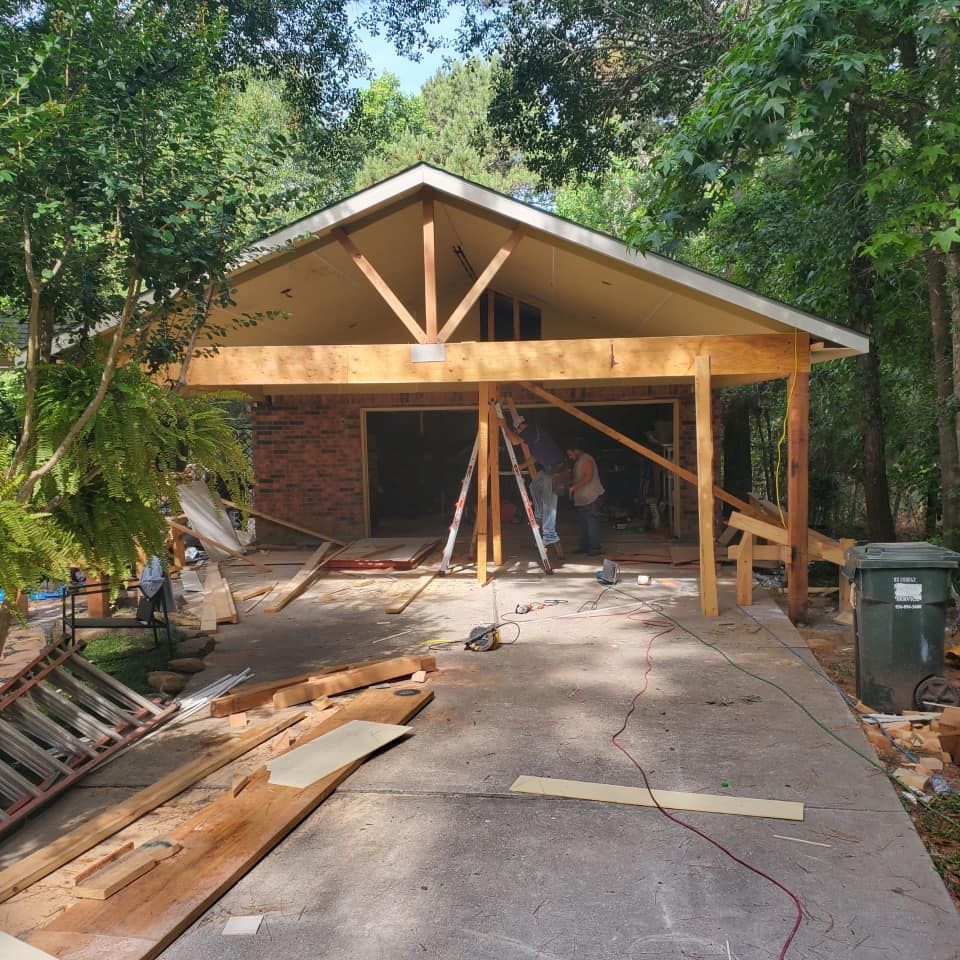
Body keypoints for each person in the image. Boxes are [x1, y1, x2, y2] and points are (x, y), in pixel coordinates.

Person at [499, 413, 565, 562]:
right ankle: (539, 514)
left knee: (549, 504)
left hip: (555, 470)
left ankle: (549, 534)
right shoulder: (536, 436)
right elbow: (535, 456)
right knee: (534, 485)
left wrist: (503, 426)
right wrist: (522, 465)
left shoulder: (530, 430)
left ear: (520, 427)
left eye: (518, 430)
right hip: (549, 468)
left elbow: (515, 441)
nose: (518, 434)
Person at [565, 439, 604, 556]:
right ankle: (585, 547)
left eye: (570, 454)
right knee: (583, 524)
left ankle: (595, 548)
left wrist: (574, 487)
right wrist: (570, 483)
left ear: (576, 450)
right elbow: (580, 477)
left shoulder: (586, 459)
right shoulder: (579, 461)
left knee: (591, 522)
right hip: (583, 499)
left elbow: (588, 477)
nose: (570, 457)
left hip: (591, 497)